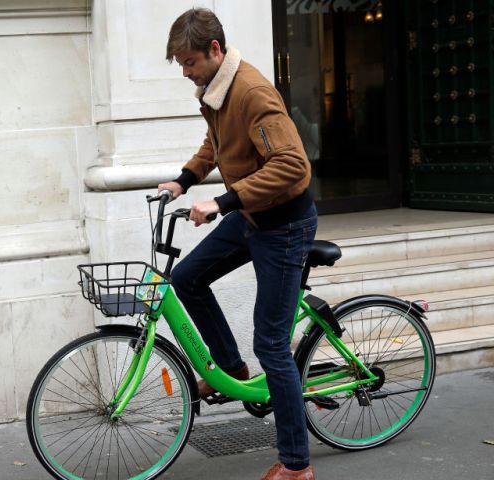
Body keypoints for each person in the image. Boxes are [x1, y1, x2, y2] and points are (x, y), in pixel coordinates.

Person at [158, 8, 317, 480]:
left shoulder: (251, 91)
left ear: (214, 50)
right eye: (180, 65)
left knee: (271, 345)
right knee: (187, 277)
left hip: (283, 224)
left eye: (189, 62)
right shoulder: (216, 91)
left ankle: (296, 465)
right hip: (252, 214)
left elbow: (293, 165)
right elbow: (217, 145)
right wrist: (183, 181)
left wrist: (222, 202)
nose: (185, 72)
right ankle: (231, 369)